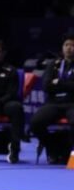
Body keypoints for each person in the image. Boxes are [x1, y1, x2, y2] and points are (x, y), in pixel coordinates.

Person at [30, 33, 74, 164]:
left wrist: (59, 83)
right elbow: (46, 86)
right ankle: (53, 149)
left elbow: (54, 84)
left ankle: (70, 154)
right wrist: (68, 85)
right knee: (35, 123)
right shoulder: (54, 64)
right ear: (62, 47)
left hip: (72, 103)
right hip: (54, 103)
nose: (69, 48)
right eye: (66, 45)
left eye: (72, 45)